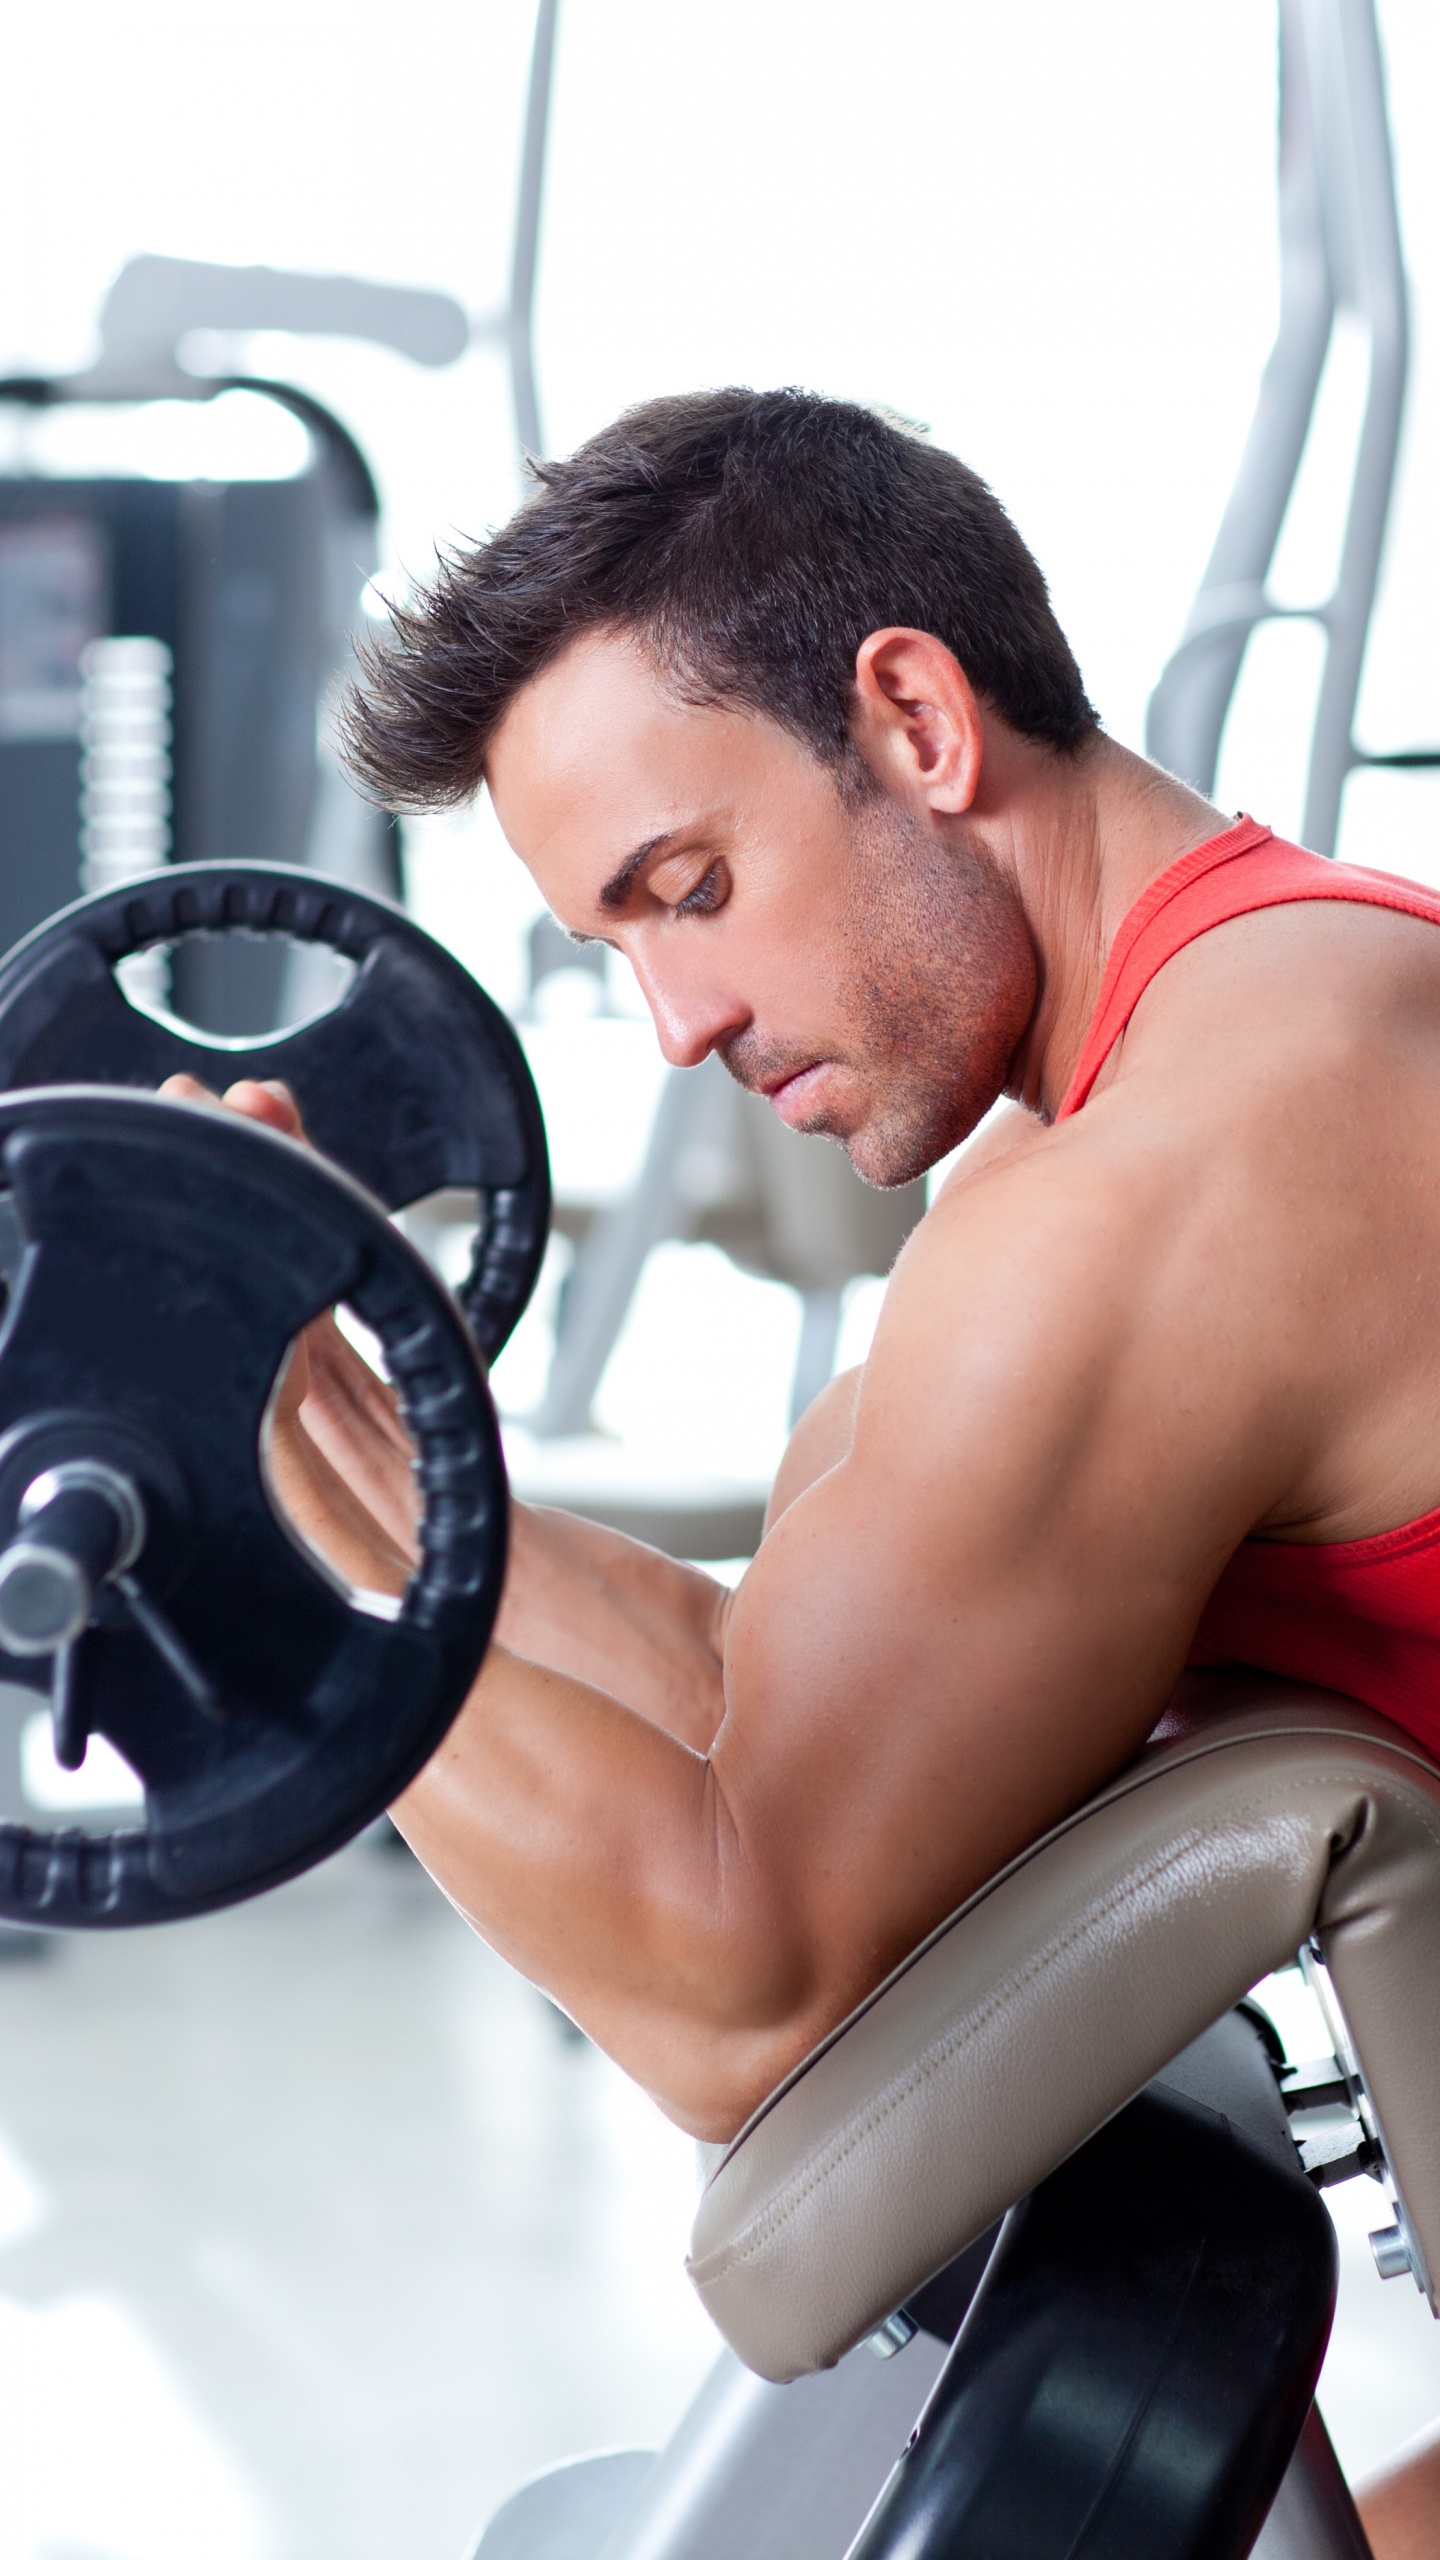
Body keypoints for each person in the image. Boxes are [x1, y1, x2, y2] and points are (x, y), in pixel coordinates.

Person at [193, 388, 1440, 2553]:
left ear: (916, 719)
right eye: (618, 944)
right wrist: (329, 1428)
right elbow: (737, 1671)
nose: (676, 1015)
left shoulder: (1187, 1175)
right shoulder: (1161, 1067)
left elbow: (741, 1991)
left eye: (690, 889)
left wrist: (263, 1544)